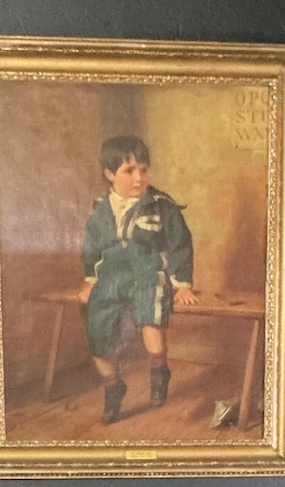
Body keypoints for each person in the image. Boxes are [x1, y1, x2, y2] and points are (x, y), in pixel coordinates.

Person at [78, 135, 198, 424]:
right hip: (111, 276)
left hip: (148, 271)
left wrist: (182, 284)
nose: (139, 178)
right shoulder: (100, 209)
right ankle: (113, 387)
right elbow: (91, 247)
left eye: (143, 170)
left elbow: (180, 243)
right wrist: (90, 279)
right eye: (129, 171)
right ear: (110, 174)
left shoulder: (160, 204)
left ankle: (159, 371)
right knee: (98, 330)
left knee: (149, 316)